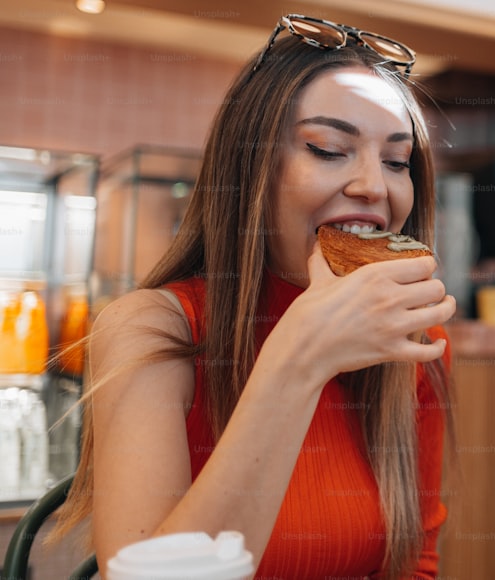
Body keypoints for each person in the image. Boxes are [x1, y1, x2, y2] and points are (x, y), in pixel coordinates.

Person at [51, 15, 457, 579]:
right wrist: (299, 361)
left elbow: (415, 564)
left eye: (396, 160)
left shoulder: (415, 340)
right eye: (327, 148)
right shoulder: (153, 331)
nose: (374, 185)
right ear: (251, 170)